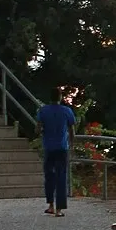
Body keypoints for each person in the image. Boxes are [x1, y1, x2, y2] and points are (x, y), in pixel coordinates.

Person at [36, 86, 78, 216]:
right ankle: (59, 209)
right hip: (62, 147)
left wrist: (43, 131)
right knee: (61, 176)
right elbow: (71, 130)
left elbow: (37, 130)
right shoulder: (67, 111)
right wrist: (71, 145)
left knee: (49, 176)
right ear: (60, 97)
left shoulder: (43, 111)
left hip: (49, 147)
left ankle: (50, 205)